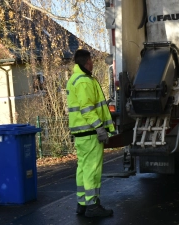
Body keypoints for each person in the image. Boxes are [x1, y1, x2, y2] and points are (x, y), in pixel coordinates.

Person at [66, 49, 115, 217]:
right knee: (92, 169)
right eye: (92, 60)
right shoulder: (84, 81)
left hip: (81, 133)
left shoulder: (75, 79)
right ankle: (93, 205)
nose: (93, 63)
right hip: (89, 132)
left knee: (83, 168)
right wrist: (100, 128)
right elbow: (87, 110)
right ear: (87, 62)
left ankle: (83, 203)